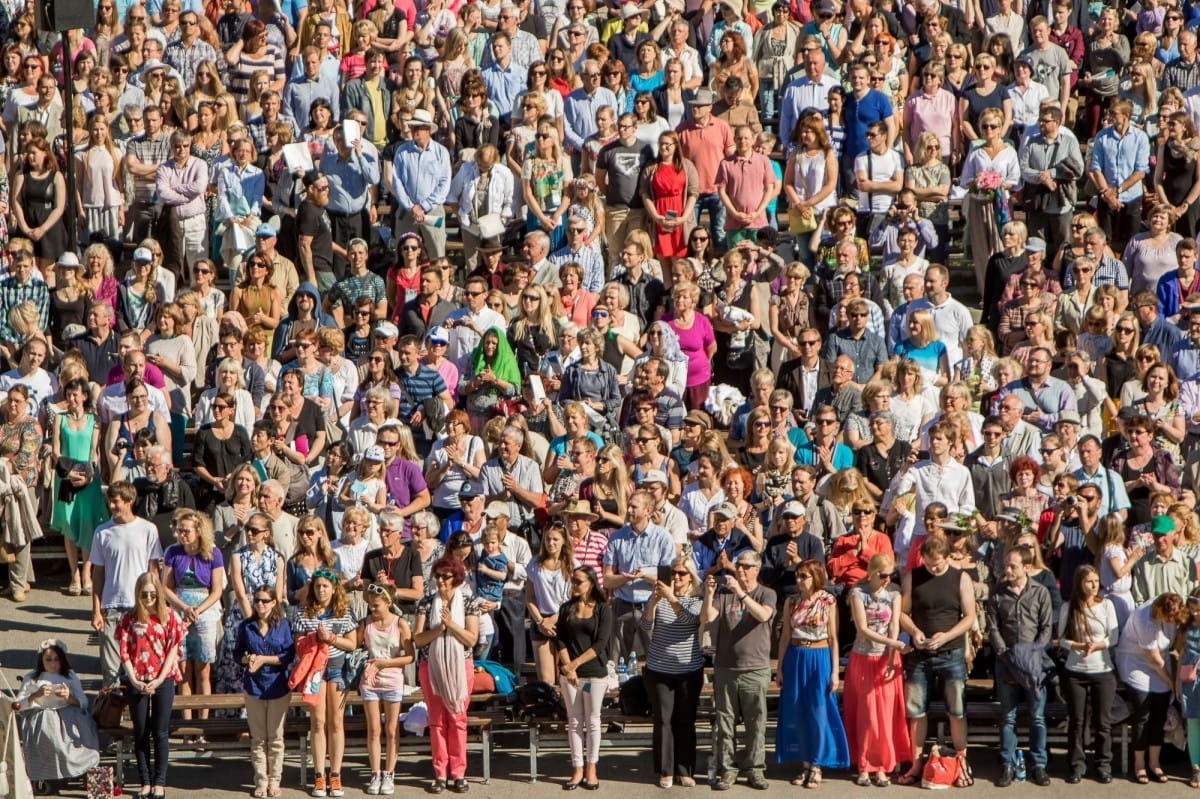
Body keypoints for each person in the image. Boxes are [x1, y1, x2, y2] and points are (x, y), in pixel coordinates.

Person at [897, 535, 977, 786]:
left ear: (947, 558)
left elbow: (969, 616)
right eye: (930, 564)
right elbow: (902, 612)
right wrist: (914, 632)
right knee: (917, 712)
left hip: (950, 651)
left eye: (939, 565)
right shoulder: (913, 576)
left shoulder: (960, 578)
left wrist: (947, 636)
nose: (934, 569)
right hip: (920, 654)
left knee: (956, 710)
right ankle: (916, 764)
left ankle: (961, 761)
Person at [702, 550, 776, 792]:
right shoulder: (725, 594)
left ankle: (755, 768)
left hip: (755, 668)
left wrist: (741, 593)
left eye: (745, 566)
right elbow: (707, 617)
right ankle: (728, 769)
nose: (740, 570)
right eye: (738, 565)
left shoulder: (767, 593)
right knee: (725, 722)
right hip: (726, 667)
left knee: (756, 723)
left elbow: (763, 615)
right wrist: (709, 594)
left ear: (756, 569)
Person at [775, 558, 849, 788]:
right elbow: (786, 635)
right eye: (797, 576)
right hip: (796, 655)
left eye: (803, 576)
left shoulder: (828, 601)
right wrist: (779, 666)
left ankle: (817, 764)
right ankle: (806, 762)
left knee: (818, 709)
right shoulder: (792, 601)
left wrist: (835, 672)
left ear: (815, 577)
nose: (799, 581)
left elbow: (834, 638)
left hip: (819, 656)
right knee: (798, 709)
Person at [412, 556, 479, 795]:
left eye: (446, 576)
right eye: (437, 575)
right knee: (437, 722)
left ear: (456, 578)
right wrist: (438, 629)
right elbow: (418, 639)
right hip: (431, 666)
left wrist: (451, 625)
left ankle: (459, 773)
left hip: (461, 667)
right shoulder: (427, 603)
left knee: (458, 720)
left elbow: (472, 639)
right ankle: (440, 773)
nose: (440, 580)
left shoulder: (469, 602)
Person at [987, 545, 1053, 787]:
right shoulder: (997, 592)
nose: (1008, 570)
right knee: (1008, 717)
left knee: (1037, 717)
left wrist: (1034, 653)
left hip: (1034, 665)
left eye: (1013, 566)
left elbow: (1046, 628)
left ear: (1027, 567)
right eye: (1006, 565)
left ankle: (1039, 765)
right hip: (1006, 662)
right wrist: (1005, 654)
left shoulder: (1040, 592)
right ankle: (1007, 764)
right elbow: (993, 627)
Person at [116, 571, 184, 799]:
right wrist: (134, 679)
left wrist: (159, 679)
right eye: (144, 594)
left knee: (161, 732)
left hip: (162, 679)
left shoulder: (171, 617)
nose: (148, 599)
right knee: (141, 732)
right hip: (136, 679)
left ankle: (160, 782)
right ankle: (145, 780)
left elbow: (173, 650)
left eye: (153, 595)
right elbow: (124, 652)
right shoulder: (129, 618)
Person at [290, 568, 357, 798]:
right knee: (318, 722)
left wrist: (331, 638)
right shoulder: (302, 612)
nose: (321, 590)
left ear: (334, 588)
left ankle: (335, 774)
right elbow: (298, 646)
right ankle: (319, 774)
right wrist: (313, 639)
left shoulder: (344, 611)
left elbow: (352, 644)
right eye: (317, 586)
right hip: (314, 671)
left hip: (337, 669)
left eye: (325, 586)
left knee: (336, 722)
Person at [844, 553, 909, 786]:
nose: (887, 579)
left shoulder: (893, 592)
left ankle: (881, 765)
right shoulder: (857, 593)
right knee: (867, 714)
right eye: (883, 575)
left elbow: (894, 625)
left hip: (887, 658)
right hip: (863, 657)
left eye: (890, 575)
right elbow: (862, 628)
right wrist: (893, 644)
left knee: (885, 714)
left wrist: (892, 657)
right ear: (872, 572)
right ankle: (864, 764)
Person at [639, 555, 704, 789]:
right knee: (663, 721)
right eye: (674, 573)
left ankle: (684, 769)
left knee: (685, 721)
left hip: (689, 669)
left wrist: (671, 597)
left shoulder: (697, 599)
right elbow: (645, 627)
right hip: (659, 669)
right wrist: (653, 604)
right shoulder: (658, 597)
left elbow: (690, 622)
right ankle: (665, 770)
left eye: (682, 573)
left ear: (691, 577)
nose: (676, 577)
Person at [161, 509, 225, 736]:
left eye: (186, 531)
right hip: (180, 605)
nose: (182, 535)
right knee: (183, 667)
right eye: (179, 530)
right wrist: (183, 608)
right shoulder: (173, 552)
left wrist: (198, 609)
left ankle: (203, 725)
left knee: (203, 669)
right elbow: (165, 586)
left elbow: (217, 590)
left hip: (204, 607)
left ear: (198, 532)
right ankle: (187, 725)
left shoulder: (213, 553)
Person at [1115, 592, 1189, 784]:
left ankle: (1154, 762)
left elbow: (1171, 648)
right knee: (1143, 712)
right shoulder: (1144, 618)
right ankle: (1139, 764)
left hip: (1161, 662)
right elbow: (1154, 659)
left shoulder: (1175, 611)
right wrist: (1172, 683)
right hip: (1136, 662)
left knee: (1160, 711)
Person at [1058, 565, 1119, 784]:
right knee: (1077, 721)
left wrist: (1097, 645)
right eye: (1089, 582)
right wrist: (1077, 645)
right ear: (1079, 584)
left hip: (1102, 670)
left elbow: (1114, 638)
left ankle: (1103, 764)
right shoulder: (1069, 607)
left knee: (1103, 722)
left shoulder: (1107, 605)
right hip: (1076, 671)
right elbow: (1061, 639)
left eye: (1096, 581)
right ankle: (1077, 765)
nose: (1094, 586)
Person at [8, 639, 101, 784]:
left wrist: (68, 697)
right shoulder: (32, 677)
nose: (53, 664)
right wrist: (35, 695)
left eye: (56, 660)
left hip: (67, 715)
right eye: (48, 660)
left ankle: (79, 769)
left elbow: (83, 702)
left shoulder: (69, 675)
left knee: (73, 744)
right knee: (53, 741)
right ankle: (48, 775)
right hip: (42, 716)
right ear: (41, 660)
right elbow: (19, 705)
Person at [233, 583, 294, 799]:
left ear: (274, 603)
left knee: (275, 737)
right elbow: (237, 654)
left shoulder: (283, 625)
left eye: (265, 600)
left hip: (278, 685)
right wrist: (248, 659)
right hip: (254, 687)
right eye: (257, 600)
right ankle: (261, 779)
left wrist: (263, 660)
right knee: (258, 738)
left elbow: (288, 655)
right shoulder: (246, 626)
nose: (260, 604)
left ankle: (275, 779)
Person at [554, 565, 611, 791]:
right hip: (570, 675)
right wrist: (568, 668)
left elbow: (600, 644)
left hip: (594, 673)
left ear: (590, 583)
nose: (574, 585)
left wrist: (574, 664)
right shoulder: (566, 608)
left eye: (578, 581)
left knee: (593, 721)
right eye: (573, 581)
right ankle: (577, 767)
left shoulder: (602, 609)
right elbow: (560, 639)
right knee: (575, 721)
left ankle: (591, 767)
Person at [357, 582, 414, 797]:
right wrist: (367, 663)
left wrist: (384, 663)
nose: (372, 608)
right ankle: (375, 772)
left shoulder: (400, 624)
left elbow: (410, 656)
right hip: (370, 681)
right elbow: (355, 648)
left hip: (392, 680)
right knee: (373, 729)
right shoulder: (366, 623)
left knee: (391, 729)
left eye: (377, 605)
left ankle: (389, 772)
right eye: (370, 604)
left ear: (388, 603)